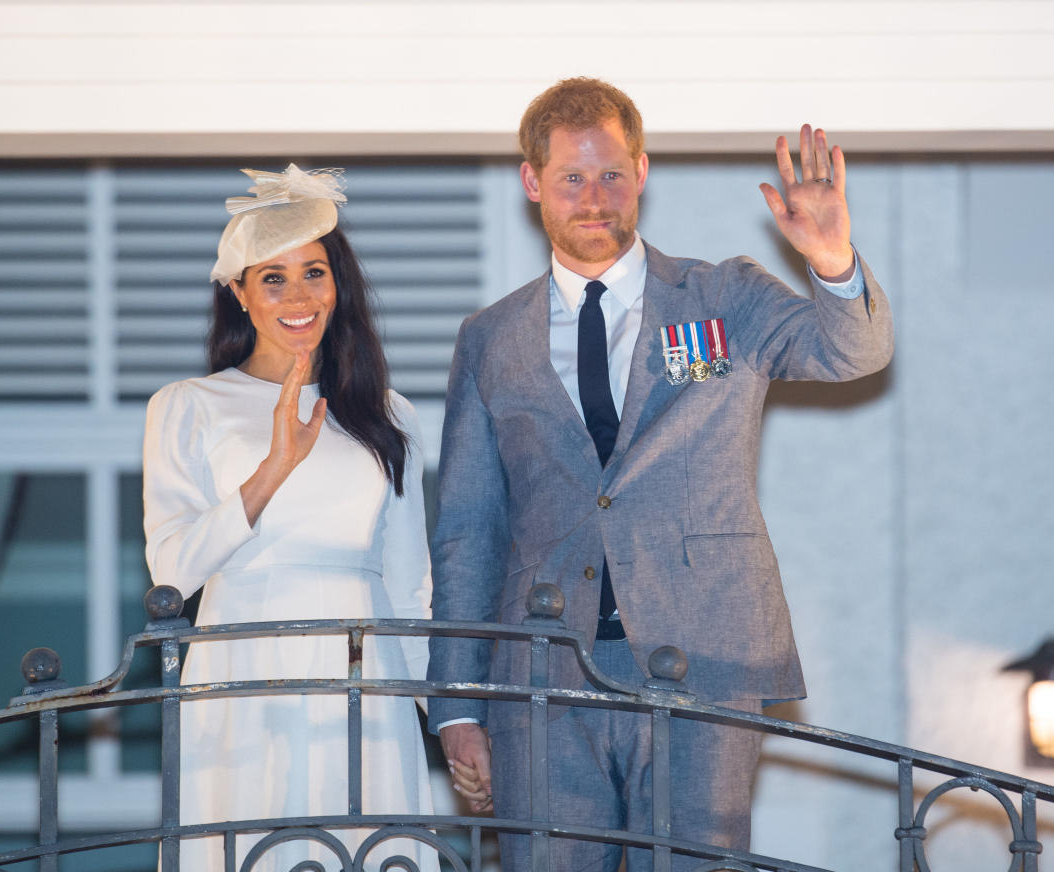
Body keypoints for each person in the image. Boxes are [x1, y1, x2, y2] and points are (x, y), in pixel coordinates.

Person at [426, 77, 894, 871]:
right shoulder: (489, 338)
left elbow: (854, 352)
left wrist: (834, 262)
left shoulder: (724, 296)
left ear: (642, 172)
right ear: (532, 181)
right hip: (540, 674)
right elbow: (468, 528)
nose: (595, 196)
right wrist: (456, 704)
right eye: (572, 177)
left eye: (612, 173)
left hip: (705, 659)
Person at [143, 165, 436, 872]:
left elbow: (411, 590)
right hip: (244, 672)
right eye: (272, 277)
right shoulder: (186, 405)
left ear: (340, 288)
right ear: (238, 293)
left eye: (314, 273)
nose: (297, 295)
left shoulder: (390, 416)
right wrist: (275, 464)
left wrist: (454, 723)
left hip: (368, 681)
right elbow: (173, 575)